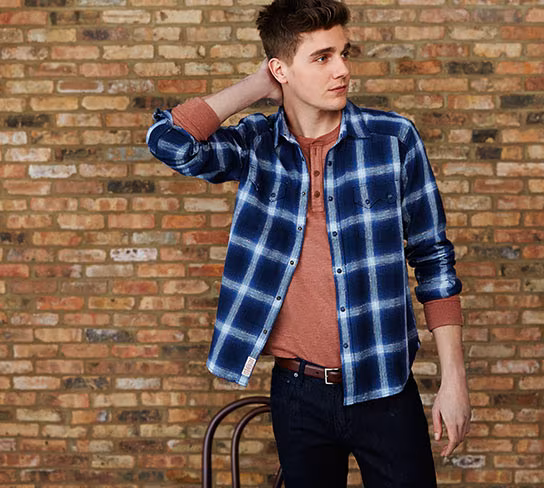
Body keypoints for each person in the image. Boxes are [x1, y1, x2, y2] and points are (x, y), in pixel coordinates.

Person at [146, 0, 470, 485]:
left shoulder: (394, 138)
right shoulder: (255, 145)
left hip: (386, 385)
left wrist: (454, 381)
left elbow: (433, 257)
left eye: (344, 53)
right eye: (322, 57)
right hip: (297, 393)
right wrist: (256, 86)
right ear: (280, 70)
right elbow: (169, 141)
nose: (342, 70)